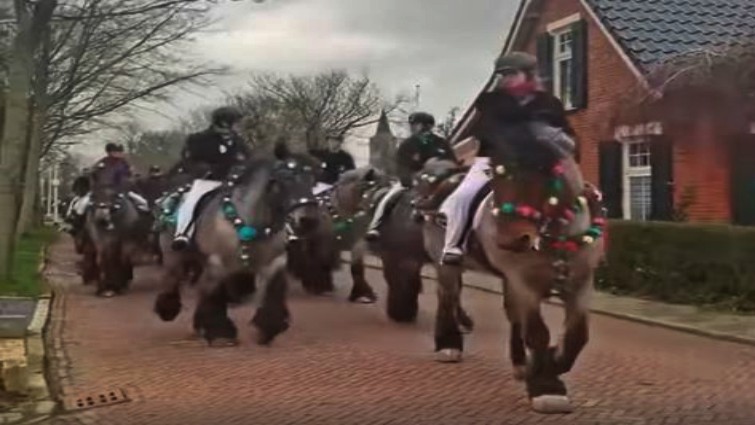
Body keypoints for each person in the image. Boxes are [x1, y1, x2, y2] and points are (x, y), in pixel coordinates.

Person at [438, 51, 577, 265]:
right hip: (495, 162)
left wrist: (558, 139)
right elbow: (487, 131)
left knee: (572, 193)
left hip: (540, 164)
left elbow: (566, 133)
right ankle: (454, 244)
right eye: (502, 75)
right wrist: (526, 134)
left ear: (529, 75)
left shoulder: (549, 103)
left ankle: (565, 249)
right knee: (464, 194)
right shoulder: (491, 102)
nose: (506, 79)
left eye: (512, 73)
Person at [365, 112, 456, 241]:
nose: (412, 128)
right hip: (412, 180)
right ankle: (375, 226)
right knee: (388, 198)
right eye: (413, 125)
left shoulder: (441, 143)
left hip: (438, 181)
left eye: (415, 125)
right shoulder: (408, 144)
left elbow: (452, 163)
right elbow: (400, 166)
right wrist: (409, 180)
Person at [170, 106, 251, 251]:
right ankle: (182, 233)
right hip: (208, 181)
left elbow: (247, 160)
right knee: (191, 201)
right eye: (236, 122)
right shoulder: (199, 139)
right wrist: (204, 169)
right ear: (224, 123)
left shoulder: (239, 141)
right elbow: (189, 160)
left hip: (235, 183)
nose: (239, 125)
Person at [68, 143, 150, 222]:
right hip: (101, 192)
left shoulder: (125, 163)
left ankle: (145, 224)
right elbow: (93, 173)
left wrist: (131, 180)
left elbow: (131, 175)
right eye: (115, 152)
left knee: (143, 202)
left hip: (123, 190)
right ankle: (76, 225)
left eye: (119, 152)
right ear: (109, 152)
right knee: (81, 205)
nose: (118, 154)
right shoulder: (102, 163)